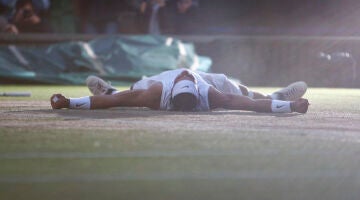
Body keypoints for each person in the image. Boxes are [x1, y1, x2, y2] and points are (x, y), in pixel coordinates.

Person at [50, 68, 309, 114]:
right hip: (207, 83)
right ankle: (276, 97)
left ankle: (108, 89)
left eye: (184, 77)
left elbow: (114, 104)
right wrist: (290, 108)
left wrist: (69, 103)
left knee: (126, 94)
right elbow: (250, 106)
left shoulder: (157, 92)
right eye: (187, 77)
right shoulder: (209, 95)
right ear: (195, 89)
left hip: (159, 85)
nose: (185, 73)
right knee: (238, 91)